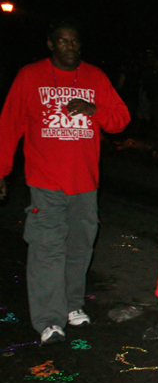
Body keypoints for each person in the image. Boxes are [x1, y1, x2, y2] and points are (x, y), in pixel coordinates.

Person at [0, 19, 130, 344]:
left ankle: (72, 306)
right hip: (45, 182)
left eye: (75, 42)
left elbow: (120, 120)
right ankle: (49, 320)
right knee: (47, 249)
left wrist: (94, 109)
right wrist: (1, 170)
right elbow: (9, 125)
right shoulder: (30, 76)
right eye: (63, 42)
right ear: (50, 44)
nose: (70, 47)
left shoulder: (94, 77)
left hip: (85, 183)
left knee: (79, 247)